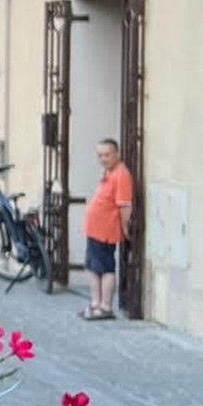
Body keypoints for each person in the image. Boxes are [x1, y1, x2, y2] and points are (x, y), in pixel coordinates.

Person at [81, 137, 134, 320]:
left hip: (105, 231)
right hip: (95, 229)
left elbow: (124, 205)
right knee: (92, 267)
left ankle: (105, 307)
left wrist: (125, 226)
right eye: (100, 155)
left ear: (117, 154)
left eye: (107, 154)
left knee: (105, 268)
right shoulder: (110, 172)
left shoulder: (121, 174)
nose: (103, 159)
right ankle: (96, 304)